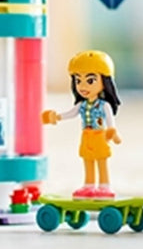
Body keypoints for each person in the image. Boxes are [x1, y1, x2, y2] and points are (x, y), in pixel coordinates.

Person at [42, 51, 121, 199]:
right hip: (86, 136)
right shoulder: (82, 105)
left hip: (100, 136)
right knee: (87, 159)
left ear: (105, 81)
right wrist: (56, 117)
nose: (82, 86)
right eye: (78, 80)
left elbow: (110, 121)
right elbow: (71, 113)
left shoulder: (104, 105)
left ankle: (104, 186)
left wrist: (112, 132)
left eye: (90, 81)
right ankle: (89, 185)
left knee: (101, 160)